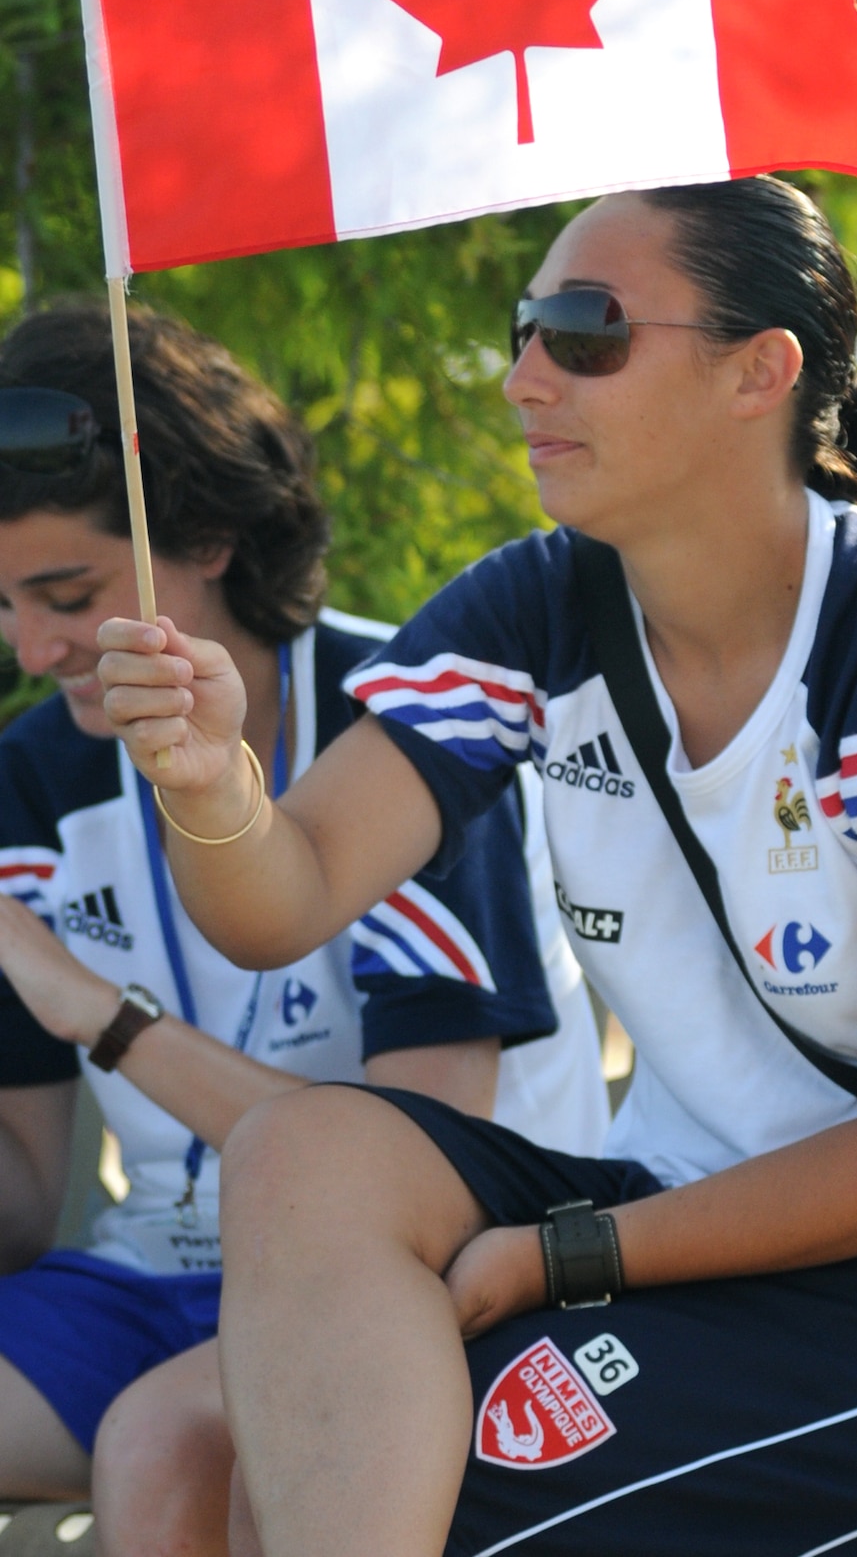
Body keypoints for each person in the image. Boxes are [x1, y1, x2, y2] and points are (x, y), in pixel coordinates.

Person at [99, 177, 857, 1557]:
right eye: (523, 330)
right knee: (294, 1165)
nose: (525, 378)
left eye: (585, 333)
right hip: (669, 1213)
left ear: (758, 371)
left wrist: (560, 1258)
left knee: (441, 1497)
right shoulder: (538, 609)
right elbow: (281, 902)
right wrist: (211, 777)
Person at [0, 299, 607, 1542]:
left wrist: (97, 1014)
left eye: (67, 591)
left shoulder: (417, 732)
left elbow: (413, 1166)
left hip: (418, 1278)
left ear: (210, 537)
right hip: (150, 1274)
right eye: (3, 603)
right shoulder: (31, 778)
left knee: (168, 1443)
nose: (31, 645)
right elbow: (22, 1196)